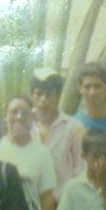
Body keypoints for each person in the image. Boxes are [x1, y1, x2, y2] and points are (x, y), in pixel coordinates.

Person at [0, 95, 57, 210]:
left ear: (32, 117)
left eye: (25, 113)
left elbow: (46, 198)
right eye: (14, 112)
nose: (19, 117)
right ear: (5, 114)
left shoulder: (42, 152)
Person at [30, 68, 85, 199]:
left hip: (64, 204)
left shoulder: (74, 128)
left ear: (58, 96)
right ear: (32, 95)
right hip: (28, 205)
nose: (43, 99)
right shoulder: (23, 126)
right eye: (39, 93)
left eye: (48, 94)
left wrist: (61, 198)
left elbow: (81, 169)